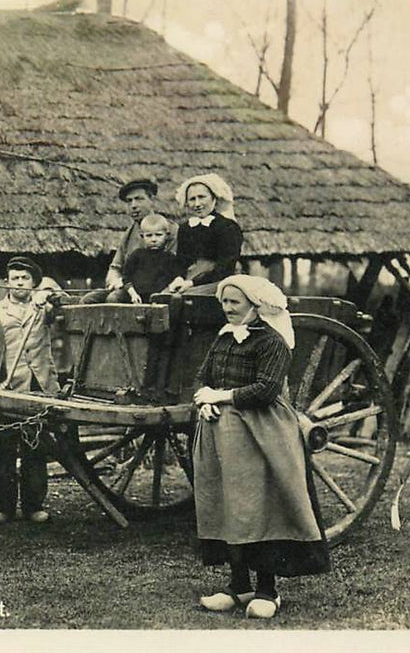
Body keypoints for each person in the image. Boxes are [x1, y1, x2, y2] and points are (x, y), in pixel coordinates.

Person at [191, 275, 330, 619]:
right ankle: (238, 585)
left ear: (255, 306)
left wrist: (220, 396)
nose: (228, 309)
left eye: (234, 303)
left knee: (259, 507)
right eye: (224, 303)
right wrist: (203, 401)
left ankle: (268, 590)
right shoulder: (223, 338)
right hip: (220, 433)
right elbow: (203, 377)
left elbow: (266, 389)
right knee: (228, 506)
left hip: (261, 433)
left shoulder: (273, 342)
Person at [0, 256, 60, 524]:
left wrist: (46, 291)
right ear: (7, 283)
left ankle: (33, 505)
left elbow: (62, 295)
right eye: (15, 278)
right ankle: (3, 507)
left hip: (38, 384)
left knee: (35, 446)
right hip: (9, 384)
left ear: (33, 283)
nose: (20, 283)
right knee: (4, 447)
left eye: (25, 279)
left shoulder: (43, 308)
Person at [82, 178, 177, 303]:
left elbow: (173, 268)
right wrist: (115, 281)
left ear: (152, 201)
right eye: (129, 201)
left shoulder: (169, 229)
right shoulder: (129, 233)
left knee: (113, 299)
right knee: (88, 300)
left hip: (153, 291)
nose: (133, 205)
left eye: (139, 199)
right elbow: (115, 267)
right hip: (128, 287)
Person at [167, 173, 243, 294]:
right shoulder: (186, 228)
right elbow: (181, 261)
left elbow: (226, 267)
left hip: (219, 280)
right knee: (162, 297)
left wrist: (192, 283)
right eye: (192, 199)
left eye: (202, 197)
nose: (197, 204)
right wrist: (179, 278)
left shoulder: (227, 227)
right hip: (190, 278)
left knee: (186, 298)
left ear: (214, 198)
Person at [108, 213, 178, 303]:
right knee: (112, 299)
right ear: (142, 236)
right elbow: (127, 277)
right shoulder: (136, 255)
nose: (154, 239)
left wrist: (164, 293)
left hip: (158, 297)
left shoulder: (170, 258)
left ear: (166, 235)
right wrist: (133, 294)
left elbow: (174, 278)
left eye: (158, 235)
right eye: (149, 235)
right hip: (134, 295)